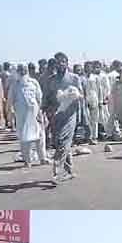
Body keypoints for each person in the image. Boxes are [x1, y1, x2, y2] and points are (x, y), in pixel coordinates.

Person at [42, 52, 83, 183]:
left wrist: (73, 96)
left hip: (70, 115)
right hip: (55, 115)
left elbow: (81, 97)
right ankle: (69, 170)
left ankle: (57, 169)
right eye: (58, 61)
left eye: (63, 61)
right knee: (60, 142)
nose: (61, 64)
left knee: (64, 140)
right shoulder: (51, 80)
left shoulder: (74, 78)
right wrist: (45, 110)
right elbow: (46, 98)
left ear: (67, 62)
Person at [10, 63, 49, 167]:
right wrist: (11, 115)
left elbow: (39, 97)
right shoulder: (15, 85)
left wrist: (40, 112)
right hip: (22, 116)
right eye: (20, 70)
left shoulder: (34, 82)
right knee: (24, 138)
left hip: (35, 114)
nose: (23, 72)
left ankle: (43, 158)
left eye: (24, 70)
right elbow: (10, 101)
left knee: (40, 136)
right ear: (18, 72)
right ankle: (27, 160)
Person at [82, 61, 102, 144]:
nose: (88, 69)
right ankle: (88, 137)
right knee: (87, 120)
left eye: (90, 67)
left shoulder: (95, 78)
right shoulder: (82, 78)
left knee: (94, 120)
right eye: (86, 67)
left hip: (94, 99)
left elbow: (99, 89)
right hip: (85, 100)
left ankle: (94, 137)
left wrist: (100, 101)